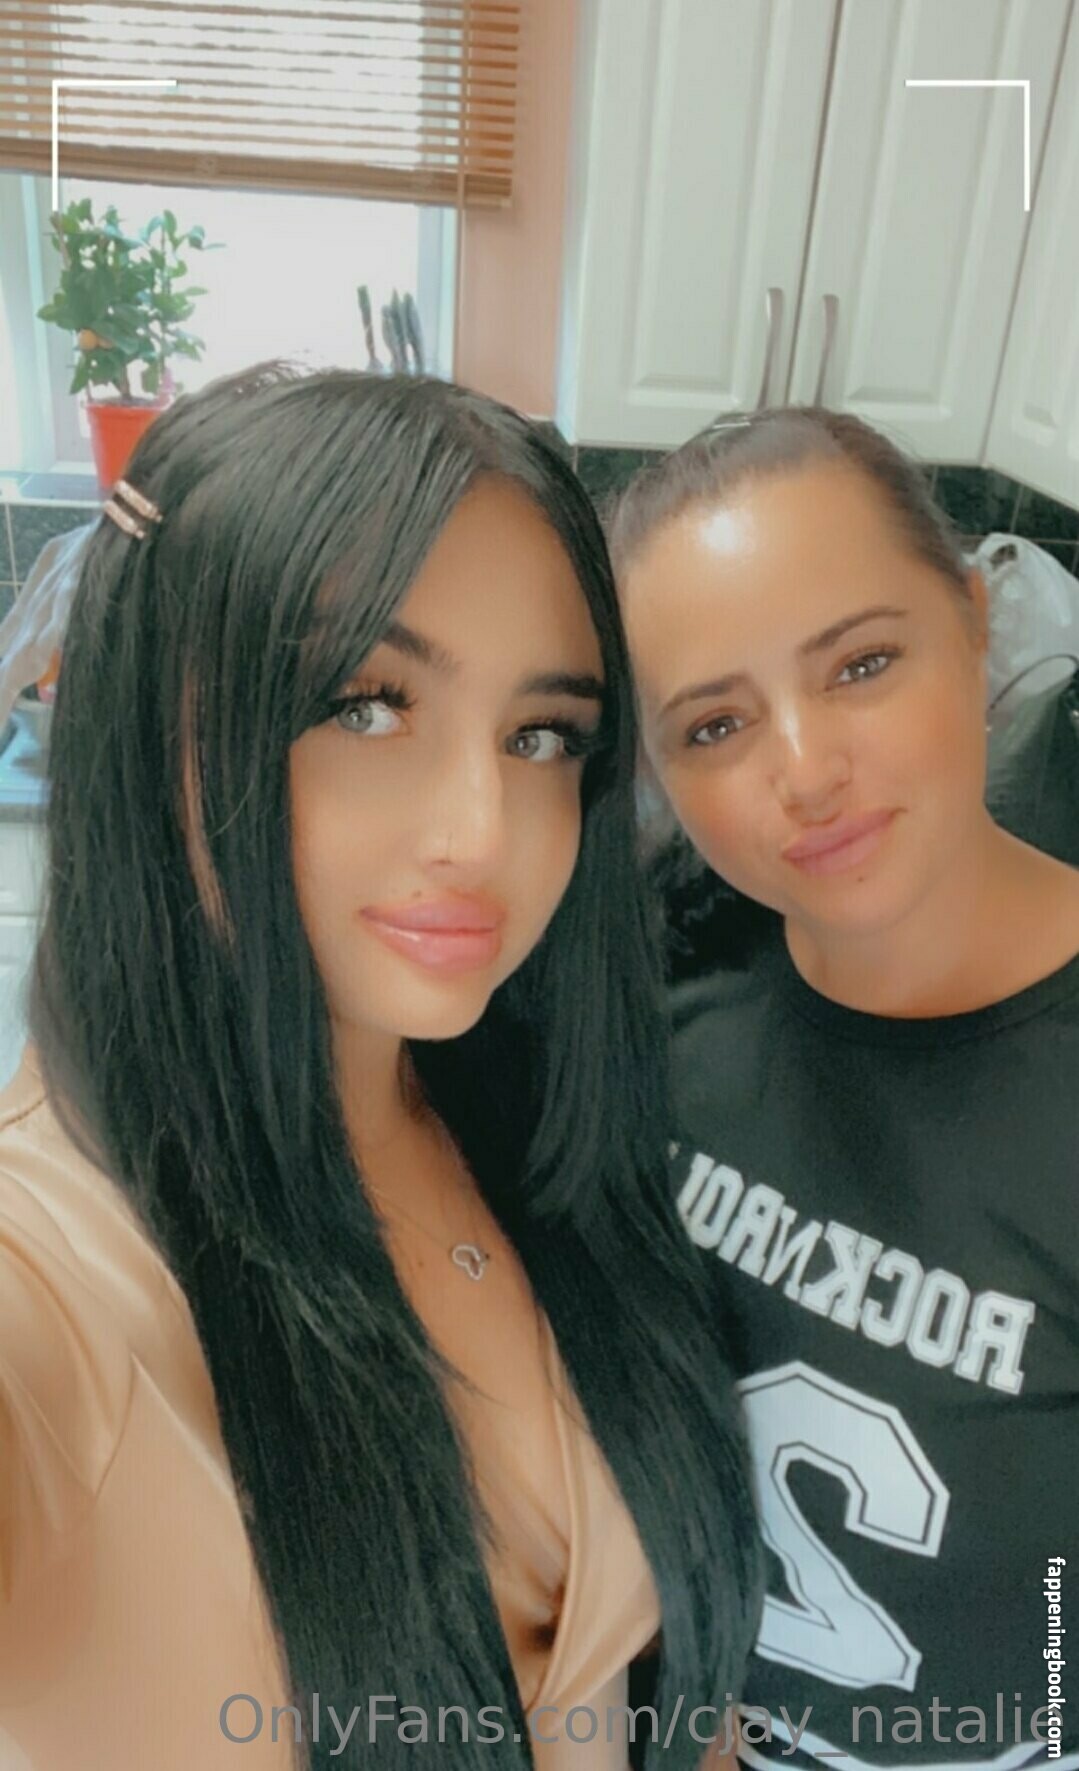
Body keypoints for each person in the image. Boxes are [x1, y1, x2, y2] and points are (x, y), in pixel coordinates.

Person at [0, 365, 762, 1771]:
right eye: (364, 705)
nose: (485, 829)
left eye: (542, 736)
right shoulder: (49, 1280)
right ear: (149, 721)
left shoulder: (534, 1114)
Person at [608, 409, 1079, 1771]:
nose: (806, 771)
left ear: (975, 622)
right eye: (715, 725)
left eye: (862, 664)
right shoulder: (659, 1013)